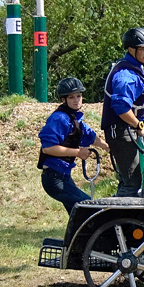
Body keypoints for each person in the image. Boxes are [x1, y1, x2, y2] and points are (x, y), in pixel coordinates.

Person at [101, 27, 144, 197]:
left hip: (128, 131)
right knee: (132, 183)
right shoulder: (126, 75)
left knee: (132, 181)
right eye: (143, 48)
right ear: (131, 49)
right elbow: (120, 108)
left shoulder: (138, 69)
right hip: (122, 131)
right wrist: (139, 124)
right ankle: (117, 220)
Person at [38, 77, 109, 215]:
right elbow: (48, 148)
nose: (76, 100)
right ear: (63, 100)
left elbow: (90, 136)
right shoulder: (59, 118)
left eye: (79, 96)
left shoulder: (74, 118)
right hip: (54, 179)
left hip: (64, 177)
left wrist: (107, 147)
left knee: (78, 216)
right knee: (91, 209)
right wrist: (77, 152)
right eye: (71, 97)